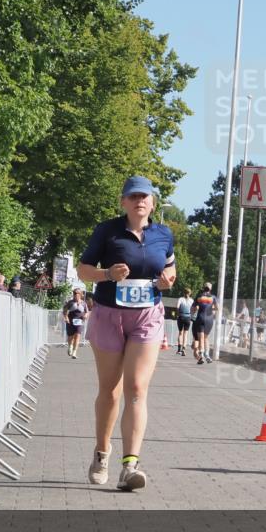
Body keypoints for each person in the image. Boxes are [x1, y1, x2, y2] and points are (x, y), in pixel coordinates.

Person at [76, 176, 176, 491]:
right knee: (110, 391)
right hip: (109, 314)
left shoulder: (164, 234)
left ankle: (130, 465)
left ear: (153, 203)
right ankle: (102, 453)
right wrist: (107, 274)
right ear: (123, 202)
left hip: (147, 316)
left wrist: (167, 279)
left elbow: (171, 267)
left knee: (136, 388)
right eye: (133, 196)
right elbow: (83, 270)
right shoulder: (107, 231)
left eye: (145, 196)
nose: (139, 201)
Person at [191, 282, 216, 365]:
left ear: (203, 288)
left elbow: (193, 308)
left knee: (201, 337)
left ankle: (201, 355)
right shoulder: (213, 298)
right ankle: (207, 355)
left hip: (200, 318)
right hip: (209, 319)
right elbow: (217, 308)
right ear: (210, 289)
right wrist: (212, 310)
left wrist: (192, 314)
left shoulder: (199, 296)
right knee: (206, 338)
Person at [63, 288, 89, 359]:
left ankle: (74, 352)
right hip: (70, 321)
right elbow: (65, 311)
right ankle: (70, 346)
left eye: (77, 294)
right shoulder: (70, 302)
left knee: (77, 336)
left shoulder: (84, 303)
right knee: (70, 337)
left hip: (79, 322)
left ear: (81, 295)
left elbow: (87, 312)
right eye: (74, 294)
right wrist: (66, 318)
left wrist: (85, 316)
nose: (76, 295)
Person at [175, 288, 194, 356]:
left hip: (181, 316)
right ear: (190, 293)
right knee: (185, 334)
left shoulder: (180, 299)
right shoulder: (192, 300)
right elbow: (193, 309)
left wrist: (177, 315)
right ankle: (184, 349)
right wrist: (191, 315)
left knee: (180, 333)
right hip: (188, 317)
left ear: (184, 292)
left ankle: (179, 349)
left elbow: (177, 307)